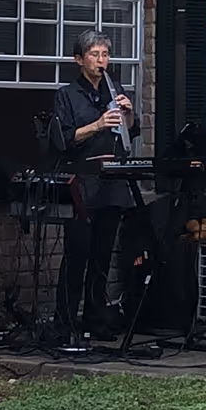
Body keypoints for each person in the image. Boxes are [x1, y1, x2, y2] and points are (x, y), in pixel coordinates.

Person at [48, 29, 145, 348]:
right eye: (94, 55)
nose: (101, 61)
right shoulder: (67, 94)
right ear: (79, 60)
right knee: (78, 254)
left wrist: (128, 116)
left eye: (105, 55)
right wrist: (97, 125)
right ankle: (65, 321)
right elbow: (63, 138)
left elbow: (129, 134)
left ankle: (94, 318)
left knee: (103, 256)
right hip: (82, 182)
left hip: (111, 182)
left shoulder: (113, 89)